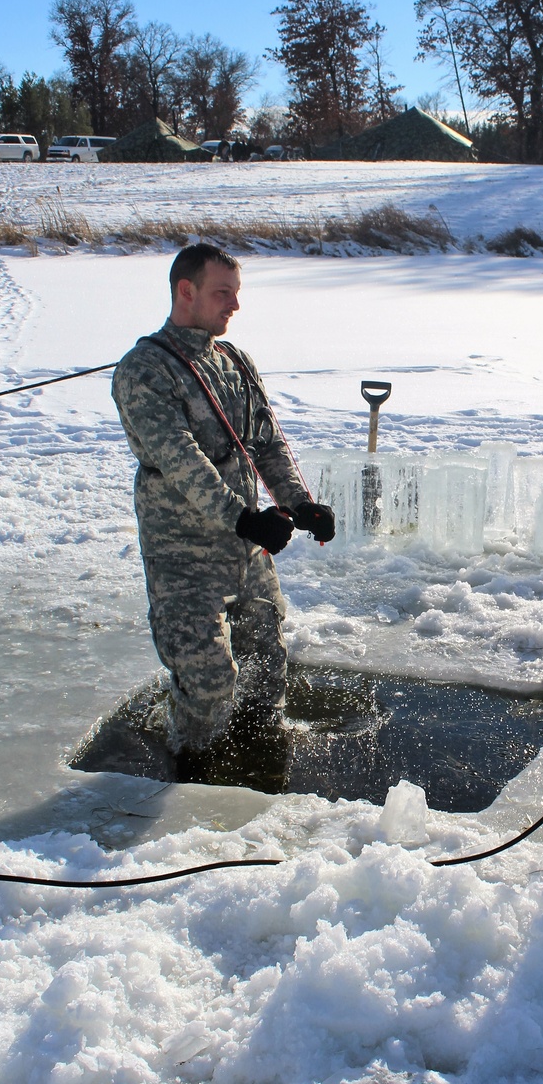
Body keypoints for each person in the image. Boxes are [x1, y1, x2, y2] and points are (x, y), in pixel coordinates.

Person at [112, 243, 335, 758]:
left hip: (244, 548)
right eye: (223, 293)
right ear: (186, 291)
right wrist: (246, 519)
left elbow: (266, 440)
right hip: (183, 555)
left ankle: (259, 761)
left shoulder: (233, 360)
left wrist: (298, 503)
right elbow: (181, 459)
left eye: (237, 293)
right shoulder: (146, 370)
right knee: (209, 685)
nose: (234, 305)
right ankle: (188, 768)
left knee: (266, 667)